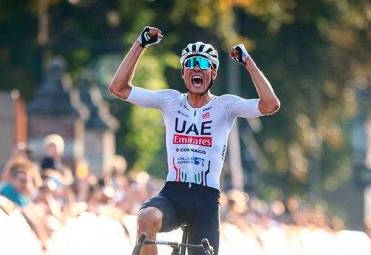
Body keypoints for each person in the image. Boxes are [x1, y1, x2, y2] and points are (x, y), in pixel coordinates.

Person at [109, 26, 280, 255]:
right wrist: (140, 43)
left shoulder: (225, 106)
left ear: (213, 73)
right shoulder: (170, 101)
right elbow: (118, 88)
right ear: (183, 73)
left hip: (205, 200)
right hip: (173, 194)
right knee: (147, 217)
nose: (195, 68)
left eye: (203, 64)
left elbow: (270, 105)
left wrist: (247, 61)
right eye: (190, 64)